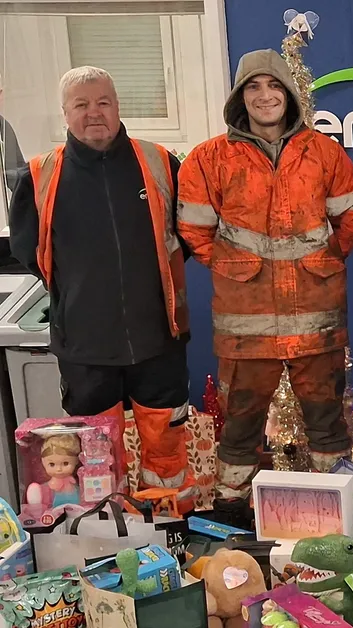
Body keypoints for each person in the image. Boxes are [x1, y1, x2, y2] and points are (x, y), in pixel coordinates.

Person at [177, 50, 353, 522]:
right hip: (246, 325)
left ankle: (334, 513)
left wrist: (319, 266)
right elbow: (194, 230)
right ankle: (231, 511)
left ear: (289, 94)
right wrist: (235, 269)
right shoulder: (208, 159)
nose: (265, 96)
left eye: (274, 86)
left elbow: (350, 222)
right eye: (253, 87)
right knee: (239, 426)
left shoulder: (325, 153)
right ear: (239, 97)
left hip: (317, 319)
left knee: (327, 424)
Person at [8, 66, 196, 510]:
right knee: (96, 458)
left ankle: (170, 523)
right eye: (81, 105)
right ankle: (108, 531)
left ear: (117, 106)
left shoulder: (161, 163)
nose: (94, 113)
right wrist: (81, 290)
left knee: (166, 451)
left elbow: (185, 237)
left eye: (103, 102)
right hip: (85, 347)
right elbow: (28, 251)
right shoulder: (39, 176)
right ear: (65, 113)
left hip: (159, 338)